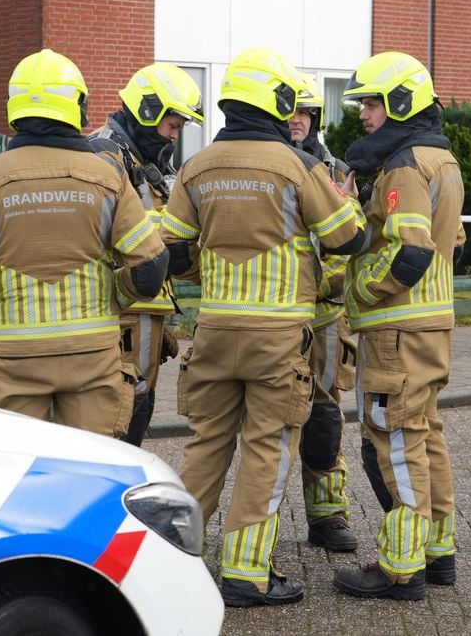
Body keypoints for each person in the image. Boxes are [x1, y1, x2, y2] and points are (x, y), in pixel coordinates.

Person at [161, 48, 365, 608]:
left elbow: (171, 252)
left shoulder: (197, 165)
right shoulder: (296, 165)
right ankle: (248, 575)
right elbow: (348, 237)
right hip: (276, 340)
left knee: (204, 447)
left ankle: (169, 564)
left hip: (214, 333)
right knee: (267, 450)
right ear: (274, 101)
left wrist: (217, 266)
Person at [0, 48, 168, 437]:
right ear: (78, 106)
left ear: (15, 106)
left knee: (20, 470)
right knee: (93, 469)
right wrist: (116, 295)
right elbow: (150, 268)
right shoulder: (106, 175)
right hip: (93, 356)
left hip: (16, 359)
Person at [331, 51, 465, 602]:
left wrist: (356, 290)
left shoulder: (405, 165)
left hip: (396, 331)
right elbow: (452, 240)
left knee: (394, 445)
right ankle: (438, 553)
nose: (363, 114)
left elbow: (411, 251)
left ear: (401, 103)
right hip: (430, 326)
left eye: (371, 103)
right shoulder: (443, 160)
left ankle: (400, 568)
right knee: (426, 438)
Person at [88, 62, 204, 446]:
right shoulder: (105, 154)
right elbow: (116, 234)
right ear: (148, 110)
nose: (173, 138)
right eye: (172, 126)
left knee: (138, 405)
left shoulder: (139, 158)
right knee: (124, 412)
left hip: (142, 310)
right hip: (122, 311)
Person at [287, 76, 360, 552]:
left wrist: (328, 283)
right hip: (275, 316)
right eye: (289, 113)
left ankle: (328, 518)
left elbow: (349, 238)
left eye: (305, 114)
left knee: (324, 419)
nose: (296, 121)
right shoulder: (265, 164)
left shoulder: (336, 169)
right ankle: (255, 527)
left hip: (326, 318)